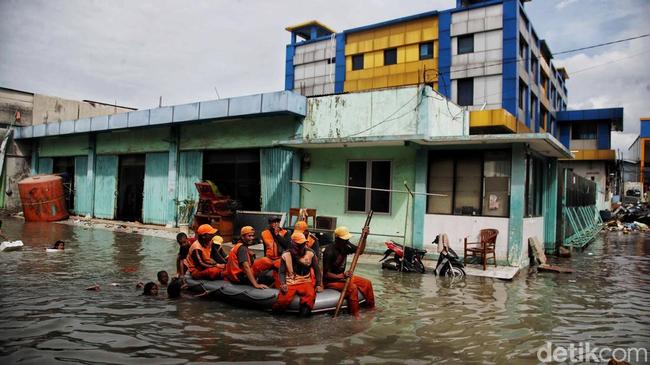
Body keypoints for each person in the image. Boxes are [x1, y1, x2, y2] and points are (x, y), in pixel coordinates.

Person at [322, 226, 375, 318]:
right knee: (352, 288)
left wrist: (365, 237)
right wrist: (341, 275)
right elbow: (326, 274)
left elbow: (360, 251)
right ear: (337, 239)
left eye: (347, 239)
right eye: (344, 240)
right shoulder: (329, 252)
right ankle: (355, 315)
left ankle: (371, 308)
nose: (346, 241)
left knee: (367, 283)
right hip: (331, 281)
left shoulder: (346, 245)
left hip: (343, 277)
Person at [272, 232, 323, 316]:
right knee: (282, 301)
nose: (302, 246)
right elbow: (281, 271)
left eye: (303, 243)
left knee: (310, 295)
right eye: (299, 244)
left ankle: (303, 319)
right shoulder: (286, 254)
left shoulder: (310, 253)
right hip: (291, 281)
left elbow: (317, 270)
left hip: (305, 281)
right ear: (293, 244)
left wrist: (318, 284)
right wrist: (283, 283)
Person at [251, 217, 289, 288]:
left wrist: (277, 235)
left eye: (277, 222)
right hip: (269, 258)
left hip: (280, 259)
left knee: (279, 271)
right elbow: (265, 247)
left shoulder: (285, 232)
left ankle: (278, 289)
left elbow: (287, 245)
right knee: (256, 265)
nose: (276, 224)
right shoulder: (264, 233)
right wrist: (265, 256)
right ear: (270, 224)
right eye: (274, 222)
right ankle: (252, 282)